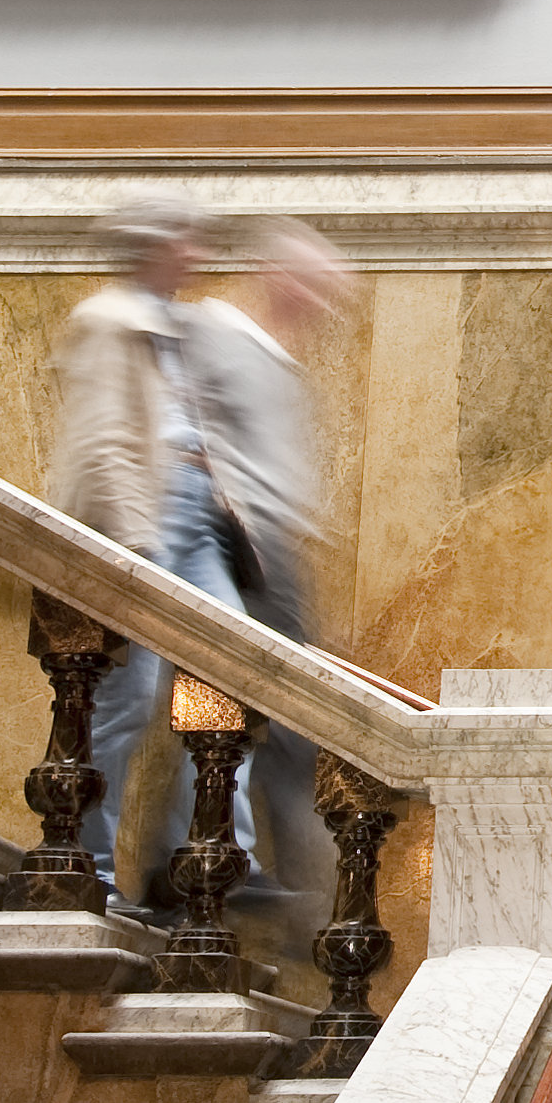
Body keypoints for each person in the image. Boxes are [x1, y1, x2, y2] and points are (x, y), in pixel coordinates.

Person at [51, 193, 271, 906]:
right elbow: (105, 441)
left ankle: (214, 852)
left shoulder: (181, 329)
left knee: (221, 678)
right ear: (154, 245)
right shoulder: (108, 320)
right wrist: (130, 544)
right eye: (186, 241)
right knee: (125, 698)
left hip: (200, 523)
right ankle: (89, 866)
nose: (197, 255)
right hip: (144, 524)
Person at [190, 219, 350, 900]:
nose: (323, 309)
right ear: (281, 278)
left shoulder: (281, 361)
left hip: (278, 546)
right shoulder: (218, 333)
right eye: (316, 290)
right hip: (239, 539)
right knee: (228, 700)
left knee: (287, 721)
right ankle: (214, 854)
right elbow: (191, 434)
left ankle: (270, 877)